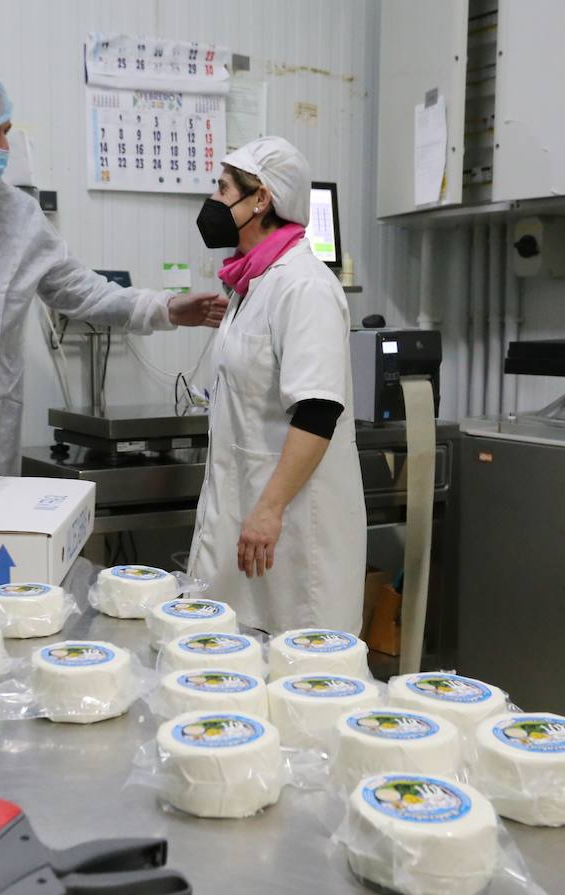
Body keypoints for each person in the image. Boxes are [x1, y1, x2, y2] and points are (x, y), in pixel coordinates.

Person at [0, 66, 227, 475]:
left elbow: (84, 292)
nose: (4, 147)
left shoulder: (18, 217)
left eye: (6, 131)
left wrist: (165, 307)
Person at [185, 137, 367, 635]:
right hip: (247, 522)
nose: (214, 201)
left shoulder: (303, 285)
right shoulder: (254, 284)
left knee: (298, 677)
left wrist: (268, 509)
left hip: (288, 533)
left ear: (259, 199)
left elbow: (317, 409)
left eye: (223, 189)